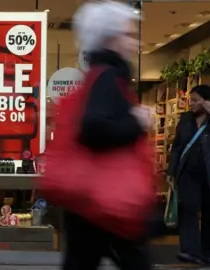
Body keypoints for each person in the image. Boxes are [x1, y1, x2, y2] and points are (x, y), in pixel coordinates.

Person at [61, 1, 152, 269]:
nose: (134, 41)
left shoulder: (98, 74)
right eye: (129, 34)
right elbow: (93, 127)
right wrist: (136, 121)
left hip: (88, 200)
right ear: (111, 38)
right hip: (106, 203)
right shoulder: (109, 77)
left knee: (79, 261)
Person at [168, 84, 210, 265]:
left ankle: (209, 252)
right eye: (190, 100)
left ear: (206, 100)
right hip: (189, 173)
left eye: (195, 100)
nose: (191, 103)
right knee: (188, 208)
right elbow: (177, 146)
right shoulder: (186, 118)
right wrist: (171, 171)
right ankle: (190, 250)